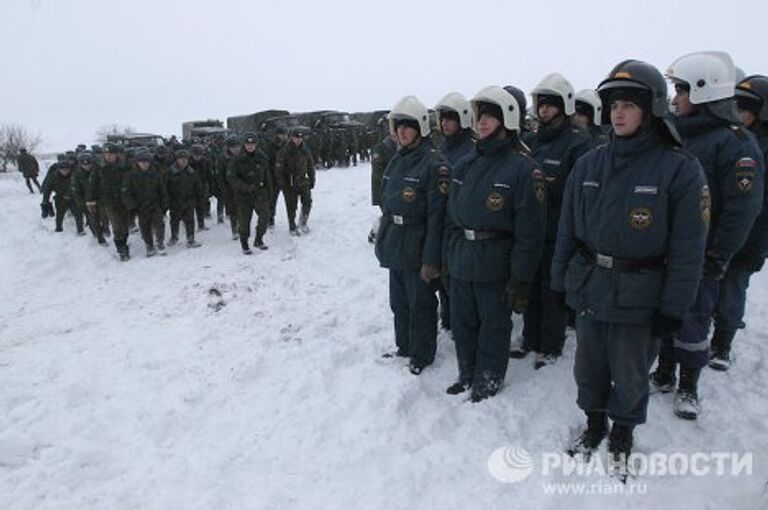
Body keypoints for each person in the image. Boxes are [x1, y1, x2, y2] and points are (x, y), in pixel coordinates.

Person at [551, 60, 708, 470]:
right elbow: (567, 228)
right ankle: (594, 422)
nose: (617, 113)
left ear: (652, 108)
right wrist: (560, 280)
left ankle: (623, 429)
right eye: (613, 105)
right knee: (589, 366)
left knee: (631, 372)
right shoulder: (589, 163)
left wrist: (674, 307)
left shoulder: (680, 169)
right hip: (590, 285)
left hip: (640, 293)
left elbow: (689, 248)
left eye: (628, 105)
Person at [655, 51, 764, 420]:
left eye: (682, 91)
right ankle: (665, 370)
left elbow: (742, 208)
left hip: (702, 251)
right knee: (669, 311)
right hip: (666, 246)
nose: (676, 99)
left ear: (703, 92)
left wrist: (720, 253)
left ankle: (689, 384)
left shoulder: (735, 143)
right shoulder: (674, 133)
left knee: (695, 318)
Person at [445, 86, 546, 401]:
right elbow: (451, 219)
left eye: (490, 116)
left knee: (492, 327)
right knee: (463, 324)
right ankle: (467, 372)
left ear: (507, 120)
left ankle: (488, 379)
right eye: (480, 116)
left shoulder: (523, 169)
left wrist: (521, 279)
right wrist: (449, 258)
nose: (482, 122)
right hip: (463, 259)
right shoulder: (464, 164)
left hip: (495, 264)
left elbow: (530, 232)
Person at [511, 73, 593, 369]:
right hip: (531, 229)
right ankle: (530, 337)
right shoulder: (531, 140)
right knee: (530, 286)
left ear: (564, 105)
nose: (543, 110)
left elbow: (581, 191)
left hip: (560, 229)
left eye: (549, 104)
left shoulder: (578, 143)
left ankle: (551, 344)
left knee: (553, 288)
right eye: (540, 104)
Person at [375, 95, 449, 375]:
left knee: (421, 303)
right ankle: (404, 346)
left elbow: (437, 217)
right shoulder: (397, 161)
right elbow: (388, 202)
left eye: (408, 126)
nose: (402, 132)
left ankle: (422, 354)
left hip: (418, 245)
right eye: (399, 126)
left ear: (420, 127)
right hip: (396, 243)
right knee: (400, 302)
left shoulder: (433, 164)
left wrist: (431, 259)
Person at [708, 74, 768, 371]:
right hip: (719, 229)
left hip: (751, 235)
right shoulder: (728, 139)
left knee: (732, 290)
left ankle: (722, 343)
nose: (738, 114)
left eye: (745, 108)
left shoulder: (754, 146)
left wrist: (757, 244)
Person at [434, 92, 476, 331]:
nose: (445, 123)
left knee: (456, 278)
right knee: (442, 276)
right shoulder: (443, 148)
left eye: (451, 118)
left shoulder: (471, 151)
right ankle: (448, 319)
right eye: (443, 119)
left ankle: (459, 321)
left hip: (459, 226)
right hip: (441, 222)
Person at [87, 143, 132, 261]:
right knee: (116, 225)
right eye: (106, 154)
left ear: (116, 154)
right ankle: (121, 249)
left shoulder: (125, 166)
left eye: (111, 154)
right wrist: (91, 200)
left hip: (124, 200)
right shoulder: (99, 167)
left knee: (125, 225)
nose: (108, 156)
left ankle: (124, 242)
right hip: (108, 201)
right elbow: (93, 185)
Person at [228, 132, 271, 254]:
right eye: (248, 144)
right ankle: (245, 244)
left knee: (265, 217)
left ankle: (259, 239)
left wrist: (269, 193)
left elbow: (267, 176)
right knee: (244, 222)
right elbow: (231, 178)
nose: (250, 146)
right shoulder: (237, 159)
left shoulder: (262, 157)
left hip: (260, 193)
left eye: (252, 144)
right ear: (244, 144)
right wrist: (244, 187)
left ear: (256, 144)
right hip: (243, 196)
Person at [122, 150, 168, 257]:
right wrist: (132, 206)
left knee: (159, 224)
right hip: (140, 206)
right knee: (145, 227)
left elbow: (162, 190)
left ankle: (160, 242)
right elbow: (126, 192)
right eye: (142, 162)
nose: (144, 164)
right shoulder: (130, 176)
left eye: (147, 162)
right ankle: (149, 245)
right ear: (137, 162)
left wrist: (164, 204)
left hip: (155, 204)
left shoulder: (155, 174)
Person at [275, 129, 315, 236]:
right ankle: (292, 226)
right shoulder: (285, 151)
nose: (298, 140)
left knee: (307, 202)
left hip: (303, 180)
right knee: (291, 206)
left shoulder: (305, 149)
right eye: (296, 138)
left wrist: (312, 179)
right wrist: (282, 183)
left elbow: (310, 165)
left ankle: (303, 222)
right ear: (292, 138)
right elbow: (278, 169)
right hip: (289, 182)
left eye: (300, 138)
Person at [165, 148, 204, 248]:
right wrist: (166, 201)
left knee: (190, 220)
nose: (184, 160)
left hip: (189, 201)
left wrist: (199, 199)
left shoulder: (191, 172)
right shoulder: (169, 172)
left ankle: (191, 239)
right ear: (176, 160)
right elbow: (164, 187)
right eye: (181, 158)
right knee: (174, 220)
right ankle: (174, 237)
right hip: (174, 201)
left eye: (185, 158)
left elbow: (198, 187)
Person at [369, 117, 398, 244]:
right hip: (383, 189)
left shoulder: (399, 147)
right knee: (389, 214)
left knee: (392, 214)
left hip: (395, 188)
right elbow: (377, 173)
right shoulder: (381, 148)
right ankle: (375, 233)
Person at [71, 151, 108, 245]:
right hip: (87, 200)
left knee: (104, 216)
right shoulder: (77, 175)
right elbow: (77, 192)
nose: (87, 166)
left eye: (89, 164)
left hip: (101, 198)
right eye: (84, 164)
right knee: (93, 219)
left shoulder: (99, 170)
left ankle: (105, 229)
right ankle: (100, 238)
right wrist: (82, 204)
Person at [41, 158, 74, 232]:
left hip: (72, 196)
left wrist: (70, 195)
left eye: (67, 169)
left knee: (77, 212)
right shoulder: (53, 177)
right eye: (62, 169)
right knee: (60, 213)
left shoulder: (74, 175)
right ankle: (58, 228)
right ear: (59, 169)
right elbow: (47, 190)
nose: (65, 171)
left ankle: (80, 228)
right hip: (60, 197)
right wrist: (45, 202)